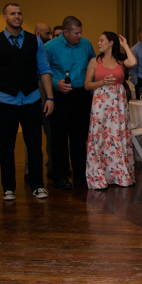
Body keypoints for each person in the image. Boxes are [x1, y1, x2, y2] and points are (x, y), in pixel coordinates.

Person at [0, 3, 55, 201]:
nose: (17, 16)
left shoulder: (35, 41)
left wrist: (49, 97)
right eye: (12, 13)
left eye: (19, 13)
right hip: (5, 100)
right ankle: (8, 188)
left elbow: (44, 69)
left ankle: (37, 185)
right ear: (5, 17)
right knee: (6, 147)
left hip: (32, 98)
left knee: (34, 145)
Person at [43, 15, 95, 190]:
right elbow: (43, 71)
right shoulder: (50, 47)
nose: (79, 36)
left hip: (81, 95)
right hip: (61, 95)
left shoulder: (86, 45)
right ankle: (61, 175)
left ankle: (81, 174)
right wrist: (56, 83)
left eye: (80, 32)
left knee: (80, 137)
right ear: (65, 32)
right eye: (75, 33)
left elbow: (92, 65)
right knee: (59, 137)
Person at [85, 31, 138, 190]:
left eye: (102, 40)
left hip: (118, 104)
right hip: (101, 103)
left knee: (118, 137)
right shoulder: (95, 61)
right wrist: (102, 82)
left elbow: (133, 62)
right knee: (99, 137)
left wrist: (125, 45)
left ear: (111, 43)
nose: (99, 43)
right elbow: (87, 84)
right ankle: (100, 176)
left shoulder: (121, 61)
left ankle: (120, 174)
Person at [34, 23, 54, 169]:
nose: (50, 37)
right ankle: (31, 169)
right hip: (34, 93)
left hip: (48, 92)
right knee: (33, 135)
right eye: (46, 34)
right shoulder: (32, 48)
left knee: (50, 133)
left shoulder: (50, 49)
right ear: (37, 34)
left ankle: (52, 165)